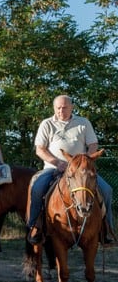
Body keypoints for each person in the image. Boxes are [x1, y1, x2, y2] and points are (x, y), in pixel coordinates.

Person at [27, 95, 115, 245]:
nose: (61, 110)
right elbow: (40, 150)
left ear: (71, 107)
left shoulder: (83, 123)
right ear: (54, 108)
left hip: (81, 171)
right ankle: (35, 226)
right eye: (58, 108)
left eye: (65, 107)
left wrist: (85, 162)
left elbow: (93, 144)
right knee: (37, 188)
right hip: (53, 168)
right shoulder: (46, 124)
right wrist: (56, 162)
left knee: (106, 190)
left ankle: (107, 229)